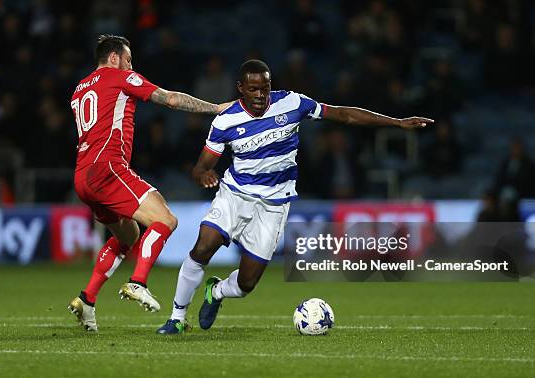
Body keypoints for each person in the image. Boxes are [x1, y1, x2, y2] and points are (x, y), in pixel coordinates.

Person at [157, 59, 434, 334]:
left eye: (265, 88)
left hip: (274, 204)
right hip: (235, 195)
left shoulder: (292, 103)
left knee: (246, 285)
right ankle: (177, 318)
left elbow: (342, 114)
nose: (260, 95)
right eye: (253, 89)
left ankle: (216, 291)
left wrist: (396, 122)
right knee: (204, 247)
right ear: (240, 88)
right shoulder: (225, 121)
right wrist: (203, 174)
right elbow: (200, 167)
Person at [68, 35, 229, 332]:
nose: (132, 66)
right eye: (129, 60)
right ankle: (137, 282)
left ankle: (86, 299)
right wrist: (217, 108)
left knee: (128, 234)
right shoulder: (119, 76)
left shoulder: (80, 89)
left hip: (82, 176)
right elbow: (170, 99)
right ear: (114, 58)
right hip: (108, 167)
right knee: (166, 219)